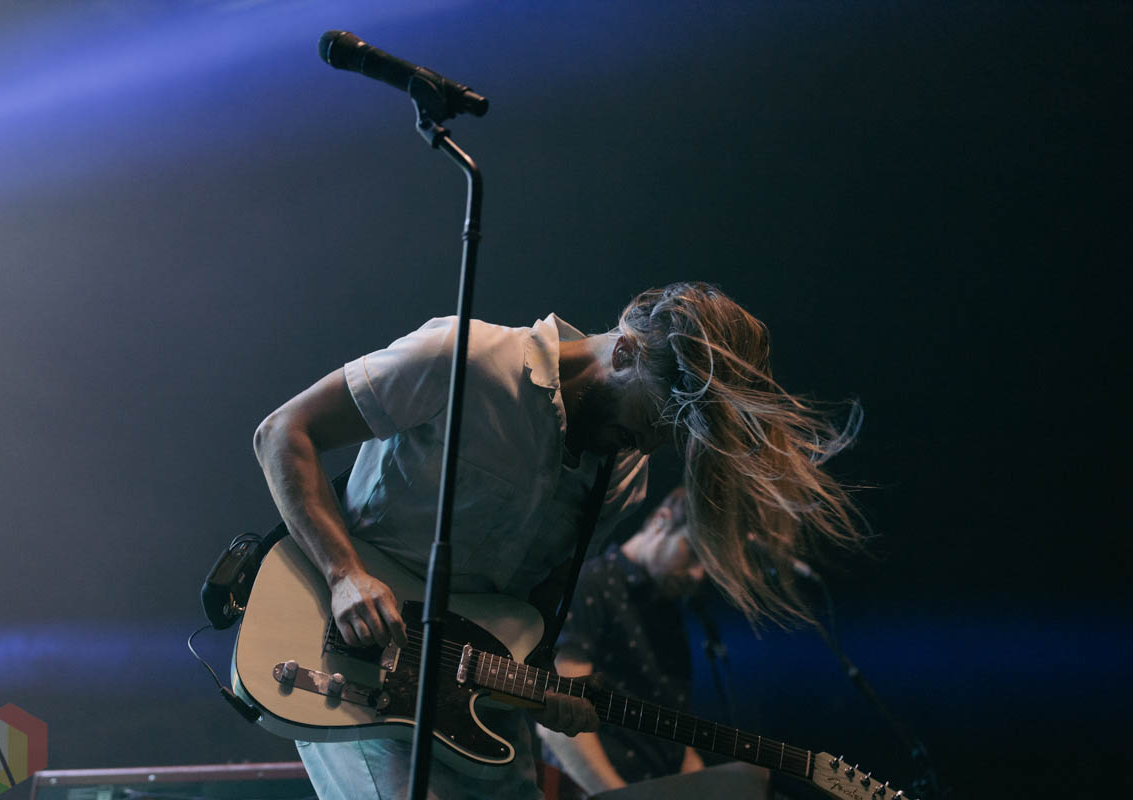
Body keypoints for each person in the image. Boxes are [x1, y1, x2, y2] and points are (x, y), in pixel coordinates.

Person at [253, 282, 861, 799]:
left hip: (473, 706)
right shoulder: (465, 358)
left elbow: (538, 605)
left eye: (664, 438)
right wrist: (343, 574)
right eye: (648, 423)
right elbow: (283, 432)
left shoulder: (623, 475)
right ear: (624, 351)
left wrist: (543, 684)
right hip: (354, 659)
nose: (647, 446)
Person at [535, 488, 719, 795]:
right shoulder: (592, 583)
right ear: (660, 521)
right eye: (693, 551)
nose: (698, 574)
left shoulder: (668, 610)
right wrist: (615, 794)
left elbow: (672, 726)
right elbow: (558, 723)